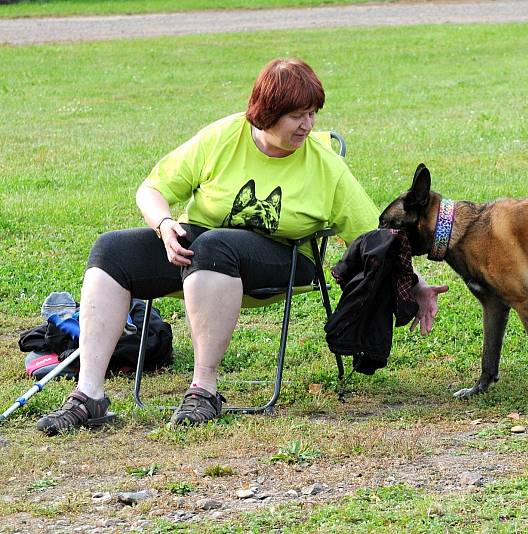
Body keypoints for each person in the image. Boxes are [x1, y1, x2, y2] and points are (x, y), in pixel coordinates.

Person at [37, 58, 448, 435]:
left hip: (285, 259)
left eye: (312, 114)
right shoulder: (222, 137)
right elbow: (152, 189)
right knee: (111, 250)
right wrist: (164, 224)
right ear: (266, 114)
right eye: (296, 115)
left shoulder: (325, 165)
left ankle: (204, 390)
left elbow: (375, 239)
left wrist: (414, 283)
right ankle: (89, 395)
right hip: (199, 254)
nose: (307, 125)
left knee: (216, 245)